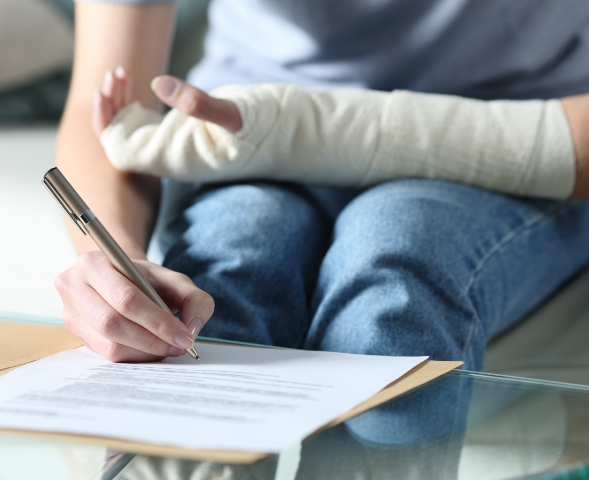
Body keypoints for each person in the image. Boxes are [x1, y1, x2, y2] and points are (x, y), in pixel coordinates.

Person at [56, 0, 589, 370]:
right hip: (241, 135)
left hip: (516, 135)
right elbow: (103, 105)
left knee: (394, 284)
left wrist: (304, 128)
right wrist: (118, 265)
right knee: (218, 287)